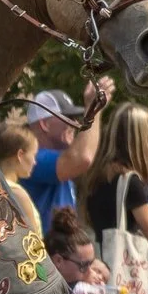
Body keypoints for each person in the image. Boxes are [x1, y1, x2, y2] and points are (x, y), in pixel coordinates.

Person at [83, 101, 148, 294]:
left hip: (99, 272)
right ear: (136, 139)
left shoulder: (97, 176)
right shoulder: (130, 182)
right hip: (126, 282)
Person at [19, 79, 114, 236]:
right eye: (68, 117)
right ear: (45, 124)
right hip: (44, 256)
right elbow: (82, 158)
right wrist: (94, 109)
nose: (75, 123)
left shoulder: (58, 157)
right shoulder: (32, 158)